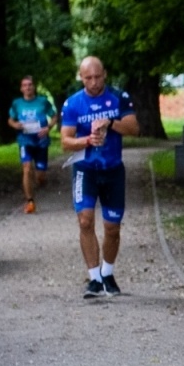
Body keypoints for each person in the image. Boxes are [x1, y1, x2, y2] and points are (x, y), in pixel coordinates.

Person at [59, 56, 138, 298]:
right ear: (81, 78)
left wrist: (111, 122)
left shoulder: (119, 97)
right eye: (88, 78)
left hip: (113, 169)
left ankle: (107, 273)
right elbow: (65, 141)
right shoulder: (72, 103)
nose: (93, 82)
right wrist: (86, 140)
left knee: (112, 228)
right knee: (85, 221)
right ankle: (93, 279)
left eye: (97, 76)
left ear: (104, 74)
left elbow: (134, 129)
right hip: (85, 169)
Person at [7, 75, 55, 213]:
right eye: (25, 85)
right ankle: (30, 202)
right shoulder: (17, 103)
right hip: (25, 141)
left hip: (41, 141)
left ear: (34, 87)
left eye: (30, 85)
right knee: (26, 168)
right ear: (21, 88)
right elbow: (10, 120)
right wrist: (15, 125)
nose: (28, 87)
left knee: (40, 177)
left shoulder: (43, 102)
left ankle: (38, 177)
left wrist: (48, 127)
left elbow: (55, 116)